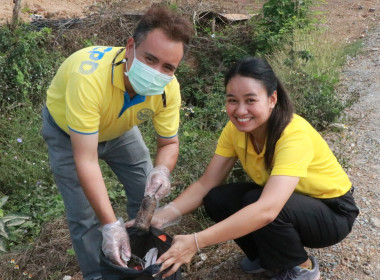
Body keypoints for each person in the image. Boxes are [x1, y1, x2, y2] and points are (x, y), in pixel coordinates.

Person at [142, 57, 359, 280]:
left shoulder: (293, 135)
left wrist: (195, 242)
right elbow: (205, 183)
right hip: (289, 202)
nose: (240, 111)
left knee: (261, 205)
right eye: (232, 100)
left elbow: (267, 209)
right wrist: (161, 216)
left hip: (332, 213)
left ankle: (300, 267)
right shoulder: (235, 130)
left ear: (272, 99)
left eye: (250, 100)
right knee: (217, 198)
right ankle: (268, 258)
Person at [41, 6, 193, 280]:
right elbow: (86, 158)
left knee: (145, 192)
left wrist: (162, 171)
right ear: (130, 47)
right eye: (150, 58)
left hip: (120, 129)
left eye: (168, 67)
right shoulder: (88, 77)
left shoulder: (168, 89)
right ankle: (97, 274)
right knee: (84, 215)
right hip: (67, 133)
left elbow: (169, 143)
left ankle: (141, 257)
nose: (157, 72)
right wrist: (111, 224)